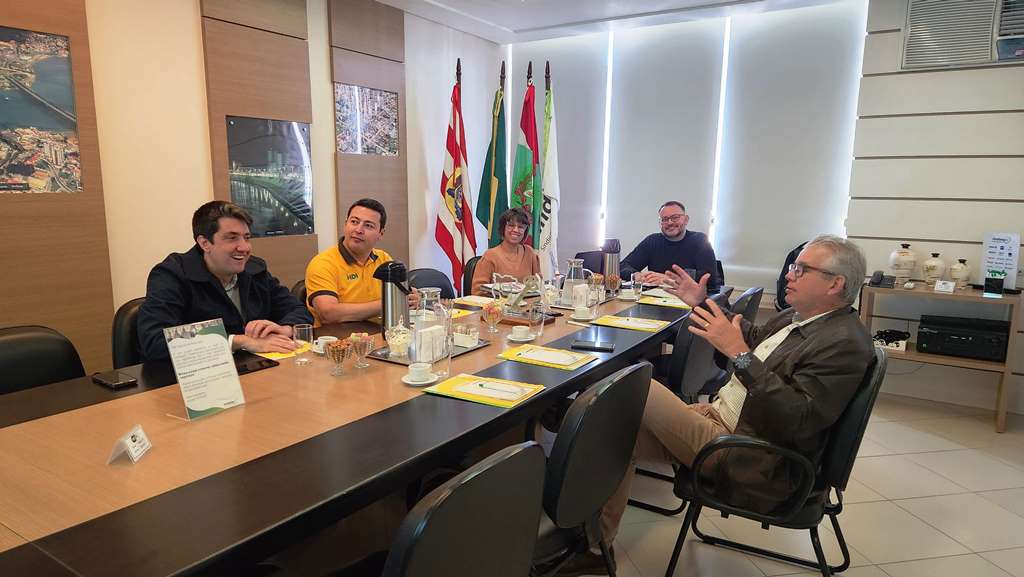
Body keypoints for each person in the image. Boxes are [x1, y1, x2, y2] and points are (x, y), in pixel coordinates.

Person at [562, 234, 873, 576]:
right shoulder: (798, 318)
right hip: (724, 419)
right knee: (616, 437)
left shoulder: (844, 343)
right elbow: (751, 338)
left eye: (801, 269)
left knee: (634, 383)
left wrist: (740, 355)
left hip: (751, 453)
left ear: (835, 284)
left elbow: (799, 419)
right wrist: (701, 302)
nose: (788, 274)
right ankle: (596, 548)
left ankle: (567, 415)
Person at [138, 201, 313, 361]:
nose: (244, 247)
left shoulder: (254, 269)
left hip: (255, 369)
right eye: (232, 238)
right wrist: (240, 341)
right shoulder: (171, 275)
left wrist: (284, 328)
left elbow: (299, 310)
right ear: (205, 243)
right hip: (195, 378)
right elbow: (155, 341)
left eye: (247, 237)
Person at [305, 198, 419, 326]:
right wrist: (389, 303)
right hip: (339, 336)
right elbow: (328, 313)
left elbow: (402, 293)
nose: (358, 230)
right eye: (354, 222)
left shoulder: (384, 259)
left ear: (381, 233)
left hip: (379, 333)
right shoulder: (323, 263)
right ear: (345, 224)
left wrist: (412, 298)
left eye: (368, 225)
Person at [619, 201, 720, 290]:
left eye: (675, 217)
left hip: (690, 299)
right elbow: (622, 266)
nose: (670, 222)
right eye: (665, 219)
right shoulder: (652, 241)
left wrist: (670, 279)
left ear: (686, 220)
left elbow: (709, 277)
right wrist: (636, 275)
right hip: (656, 299)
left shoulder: (700, 240)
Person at [471, 207, 542, 295]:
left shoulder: (530, 253)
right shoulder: (490, 256)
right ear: (503, 228)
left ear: (525, 231)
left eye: (521, 227)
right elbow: (477, 291)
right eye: (511, 225)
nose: (516, 230)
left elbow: (538, 285)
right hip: (497, 303)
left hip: (526, 303)